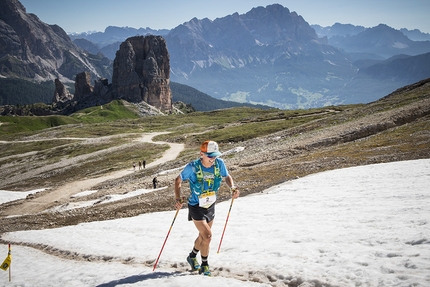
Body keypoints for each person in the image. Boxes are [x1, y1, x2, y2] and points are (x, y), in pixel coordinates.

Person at [174, 140, 240, 276]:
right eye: (210, 156)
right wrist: (178, 198)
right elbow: (178, 180)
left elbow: (226, 176)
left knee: (203, 236)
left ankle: (192, 256)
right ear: (201, 154)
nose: (213, 159)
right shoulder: (192, 167)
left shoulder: (219, 163)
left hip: (210, 205)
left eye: (215, 155)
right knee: (208, 235)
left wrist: (232, 187)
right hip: (196, 206)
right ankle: (204, 265)